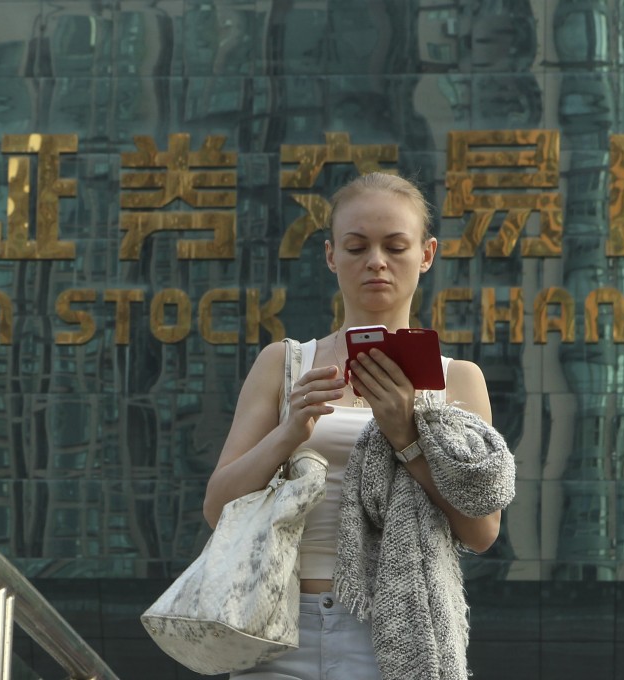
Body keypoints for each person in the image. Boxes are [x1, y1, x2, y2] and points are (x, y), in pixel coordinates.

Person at [202, 172, 502, 679]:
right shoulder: (286, 364)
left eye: (395, 246)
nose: (376, 262)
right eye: (357, 246)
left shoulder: (456, 380)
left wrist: (407, 437)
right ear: (330, 255)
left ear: (426, 255)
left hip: (394, 628)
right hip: (276, 623)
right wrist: (288, 433)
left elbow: (482, 530)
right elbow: (217, 508)